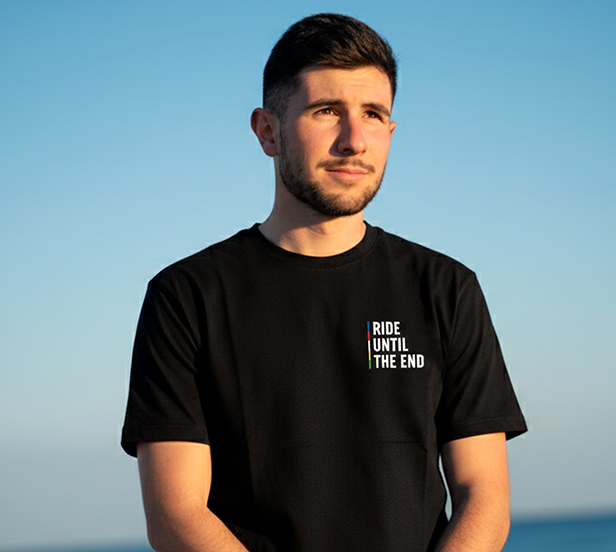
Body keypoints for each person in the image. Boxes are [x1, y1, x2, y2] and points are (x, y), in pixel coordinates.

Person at [122, 13, 527, 552]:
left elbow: (484, 499)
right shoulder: (187, 296)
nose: (354, 140)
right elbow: (176, 514)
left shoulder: (446, 289)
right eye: (327, 111)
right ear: (268, 131)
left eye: (373, 114)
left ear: (390, 132)